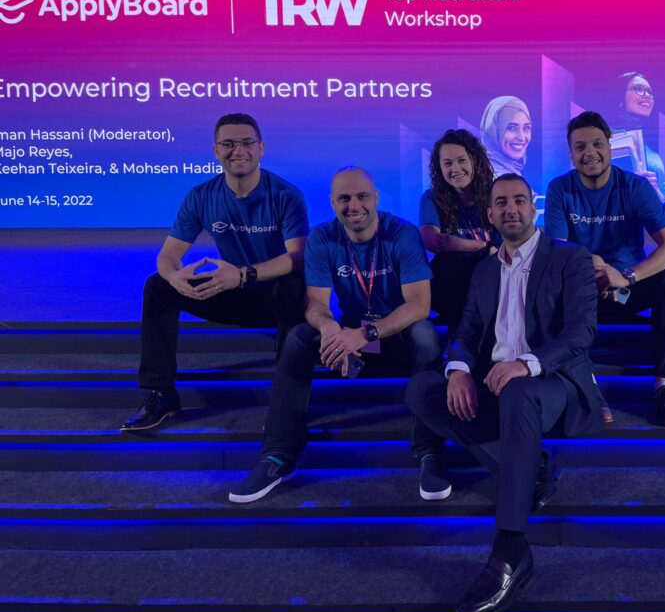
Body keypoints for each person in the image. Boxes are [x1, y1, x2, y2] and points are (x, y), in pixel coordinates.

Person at [406, 173, 602, 612]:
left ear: (532, 208)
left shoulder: (570, 258)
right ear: (490, 214)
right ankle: (531, 472)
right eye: (501, 203)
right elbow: (468, 331)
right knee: (422, 388)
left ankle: (511, 549)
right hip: (499, 384)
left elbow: (580, 334)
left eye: (519, 200)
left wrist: (526, 363)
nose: (510, 209)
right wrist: (457, 370)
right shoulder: (485, 269)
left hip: (554, 384)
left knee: (517, 390)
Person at [229, 167, 450, 503]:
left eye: (362, 196)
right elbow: (316, 304)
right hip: (355, 345)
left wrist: (365, 333)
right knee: (301, 337)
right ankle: (277, 456)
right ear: (332, 203)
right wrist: (331, 329)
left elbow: (419, 305)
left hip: (394, 339)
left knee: (426, 334)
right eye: (344, 198)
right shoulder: (323, 237)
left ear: (375, 198)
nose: (354, 205)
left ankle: (430, 453)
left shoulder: (402, 234)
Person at [121, 113, 308, 432]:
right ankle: (161, 393)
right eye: (228, 143)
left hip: (276, 297)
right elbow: (168, 256)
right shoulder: (201, 196)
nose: (239, 150)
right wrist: (174, 276)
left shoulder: (286, 195)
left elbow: (298, 256)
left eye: (247, 142)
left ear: (261, 148)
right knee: (158, 286)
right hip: (230, 292)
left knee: (294, 282)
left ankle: (286, 400)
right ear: (215, 150)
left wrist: (244, 274)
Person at [544, 111, 665, 427]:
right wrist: (591, 264)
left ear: (610, 147)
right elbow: (557, 250)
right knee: (555, 283)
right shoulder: (560, 189)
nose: (589, 153)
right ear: (571, 154)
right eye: (580, 147)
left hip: (626, 290)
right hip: (586, 290)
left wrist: (626, 275)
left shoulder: (634, 186)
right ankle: (588, 386)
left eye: (597, 144)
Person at [420, 129, 499, 339]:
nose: (455, 169)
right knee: (452, 263)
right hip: (454, 281)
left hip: (495, 275)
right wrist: (481, 246)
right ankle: (458, 348)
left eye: (461, 160)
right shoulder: (432, 198)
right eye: (447, 163)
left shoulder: (496, 192)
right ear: (439, 168)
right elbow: (431, 240)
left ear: (475, 161)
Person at [607, 71, 665, 201]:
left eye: (649, 92)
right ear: (620, 97)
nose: (647, 96)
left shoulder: (652, 150)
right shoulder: (603, 139)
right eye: (639, 89)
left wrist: (655, 191)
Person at [480, 96, 533, 178]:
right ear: (493, 132)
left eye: (526, 128)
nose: (522, 138)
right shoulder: (496, 178)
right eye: (512, 128)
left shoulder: (508, 172)